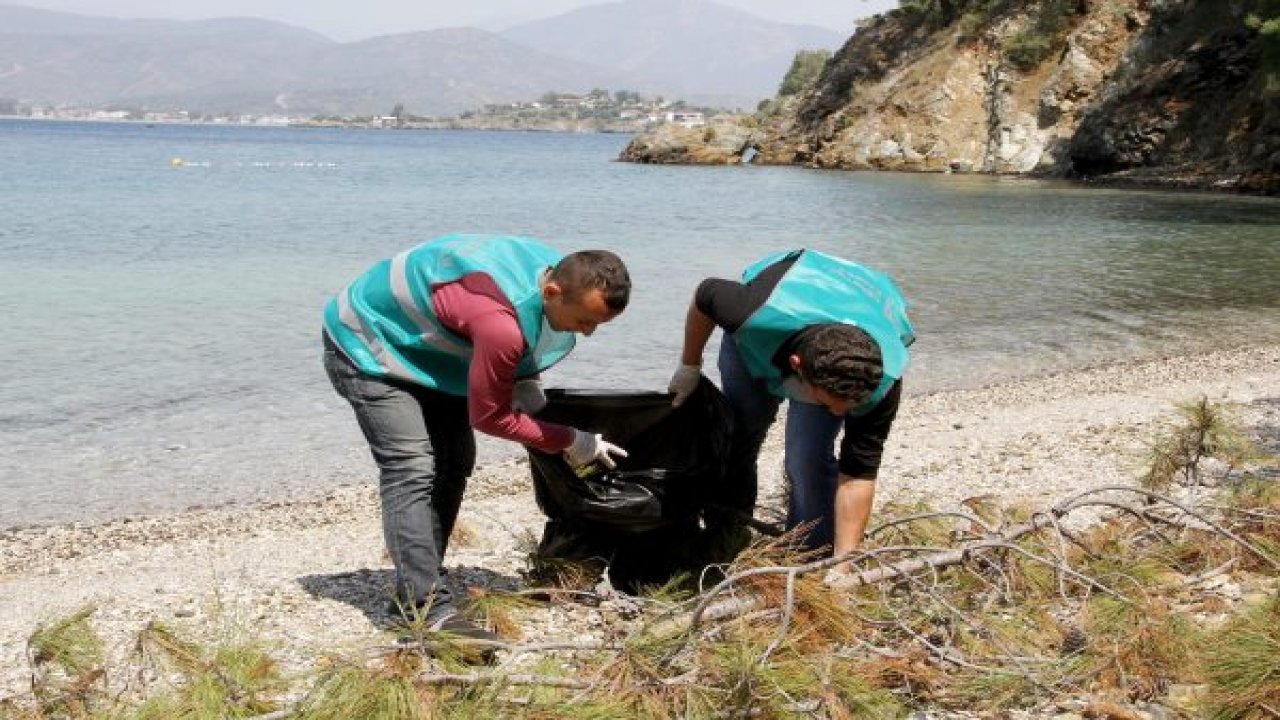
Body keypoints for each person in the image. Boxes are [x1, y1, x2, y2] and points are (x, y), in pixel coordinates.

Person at [322, 234, 631, 641]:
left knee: (455, 460)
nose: (589, 333)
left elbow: (521, 337)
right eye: (585, 321)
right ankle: (422, 608)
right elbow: (490, 416)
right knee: (412, 466)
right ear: (552, 290)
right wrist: (572, 440)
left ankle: (422, 578)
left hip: (429, 350)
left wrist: (527, 380)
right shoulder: (499, 320)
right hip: (367, 342)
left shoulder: (562, 271)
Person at [667, 248, 914, 572]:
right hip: (782, 312)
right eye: (829, 404)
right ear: (797, 369)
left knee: (808, 458)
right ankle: (725, 533)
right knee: (740, 433)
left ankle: (807, 558)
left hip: (860, 302)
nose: (837, 414)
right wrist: (690, 365)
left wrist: (845, 564)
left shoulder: (880, 380)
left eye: (845, 409)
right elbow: (705, 294)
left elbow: (858, 472)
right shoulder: (749, 314)